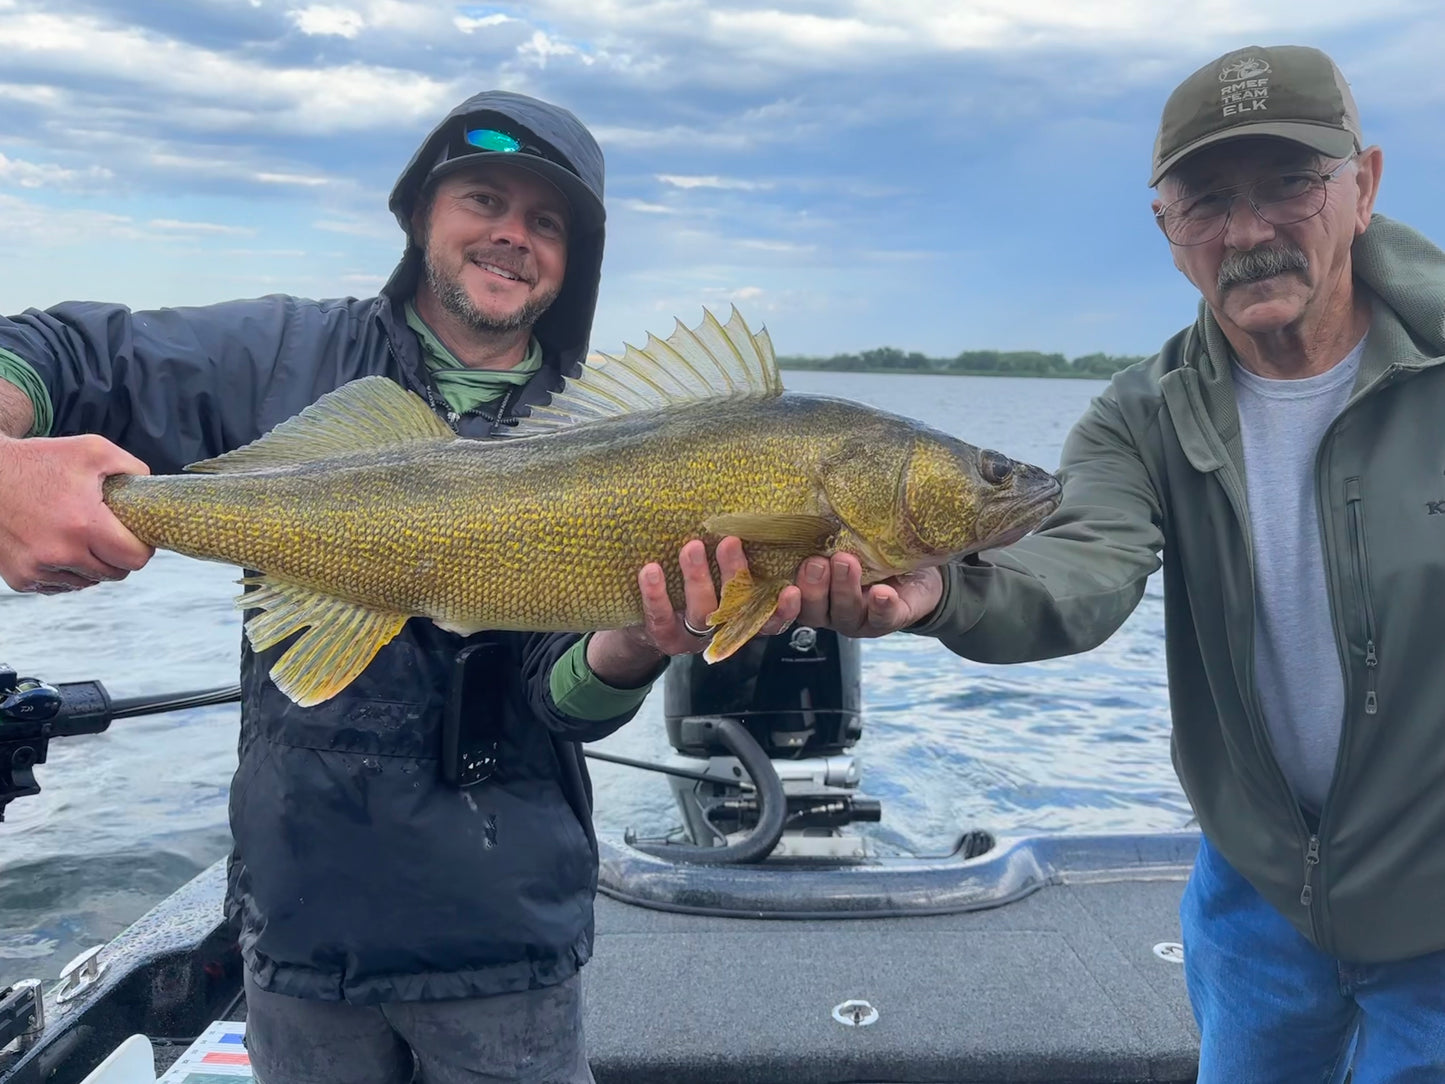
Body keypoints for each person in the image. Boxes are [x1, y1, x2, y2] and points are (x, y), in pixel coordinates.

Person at [0, 91, 798, 1083]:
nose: (513, 234)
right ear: (420, 212)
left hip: (504, 943)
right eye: (483, 198)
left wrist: (638, 640)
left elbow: (556, 695)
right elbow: (62, 353)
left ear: (574, 260)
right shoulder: (284, 355)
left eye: (547, 221)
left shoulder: (599, 427)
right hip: (301, 928)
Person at [795, 44, 1445, 1080]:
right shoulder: (1138, 416)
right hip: (1257, 889)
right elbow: (1080, 573)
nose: (1247, 230)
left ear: (1360, 186)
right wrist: (941, 592)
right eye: (1205, 200)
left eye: (1289, 184)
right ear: (1165, 230)